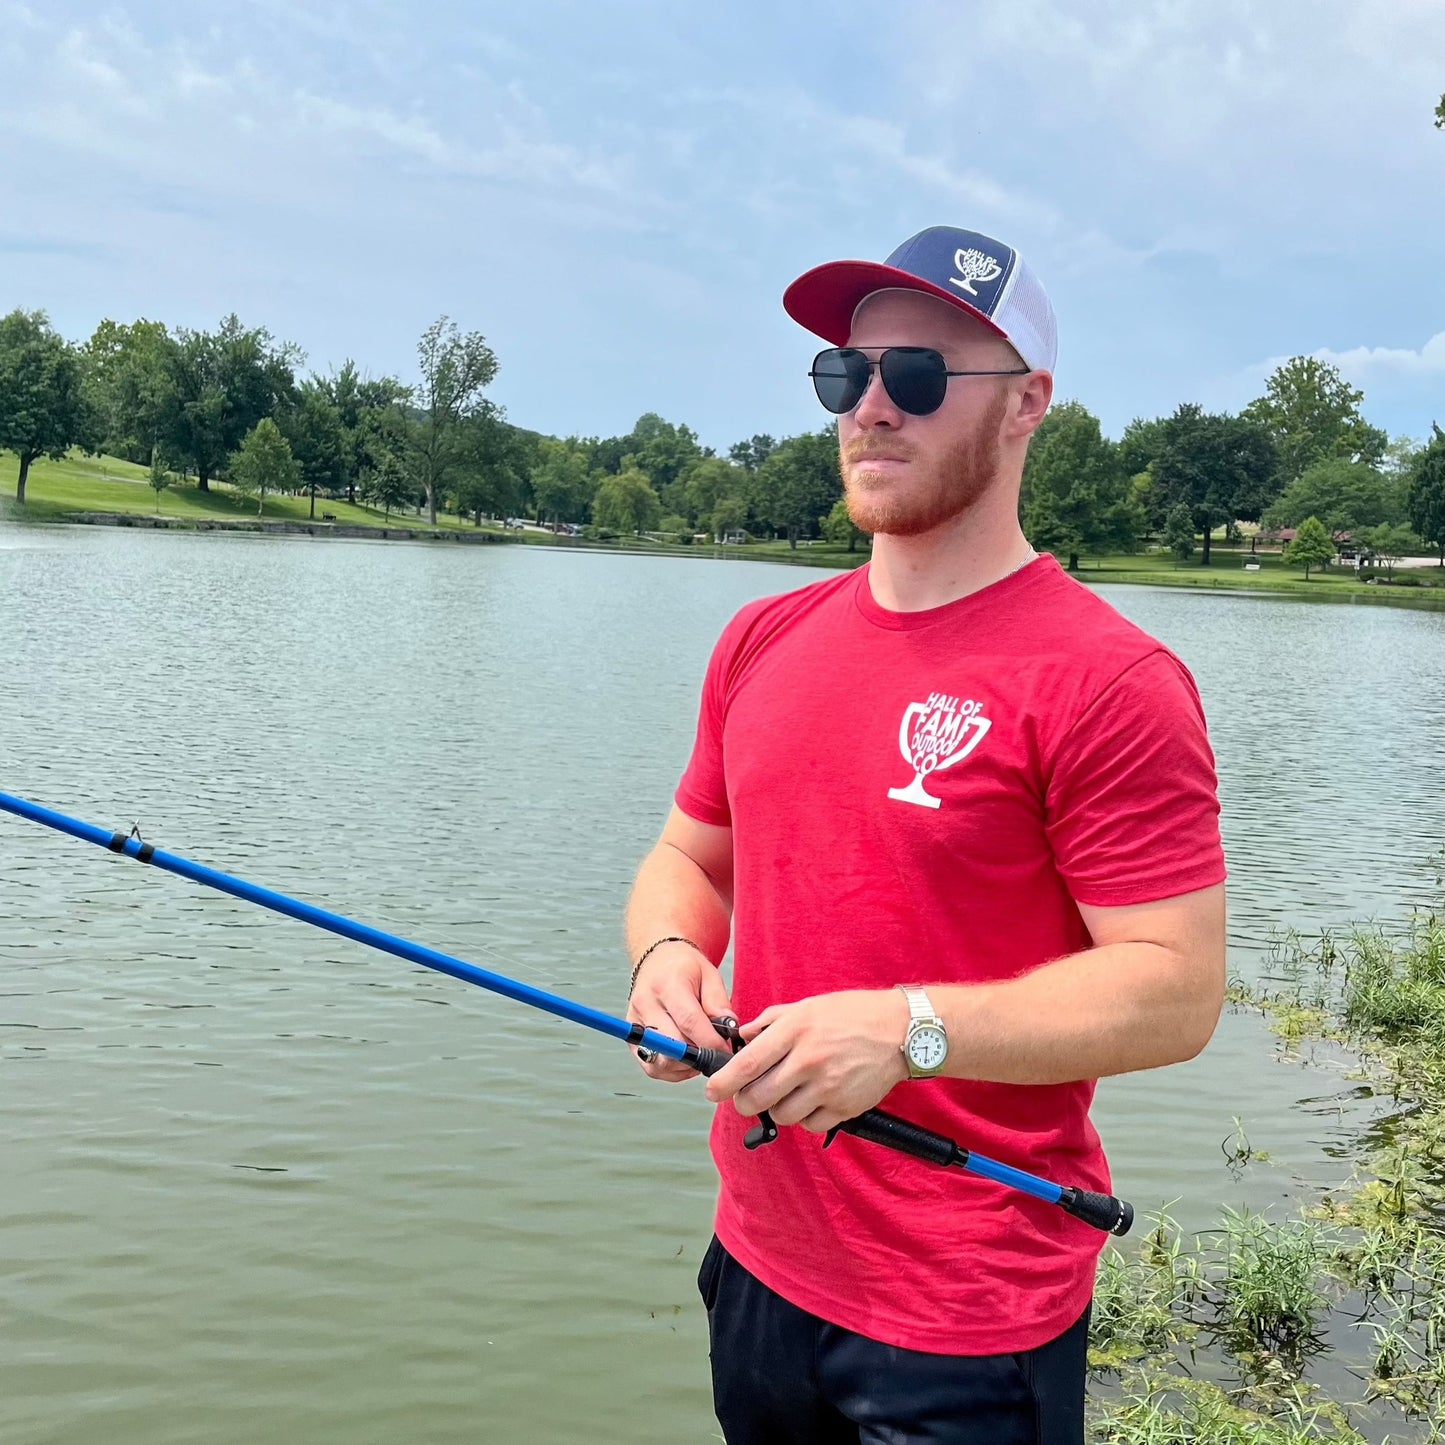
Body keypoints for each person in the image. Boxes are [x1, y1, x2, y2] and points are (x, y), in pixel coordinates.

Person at [624, 225, 1227, 1445]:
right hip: (756, 1262)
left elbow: (1176, 991)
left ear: (1025, 405)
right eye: (847, 377)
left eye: (916, 378)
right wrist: (663, 962)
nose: (870, 411)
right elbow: (688, 860)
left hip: (968, 1314)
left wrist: (907, 1028)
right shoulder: (760, 638)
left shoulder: (1112, 680)